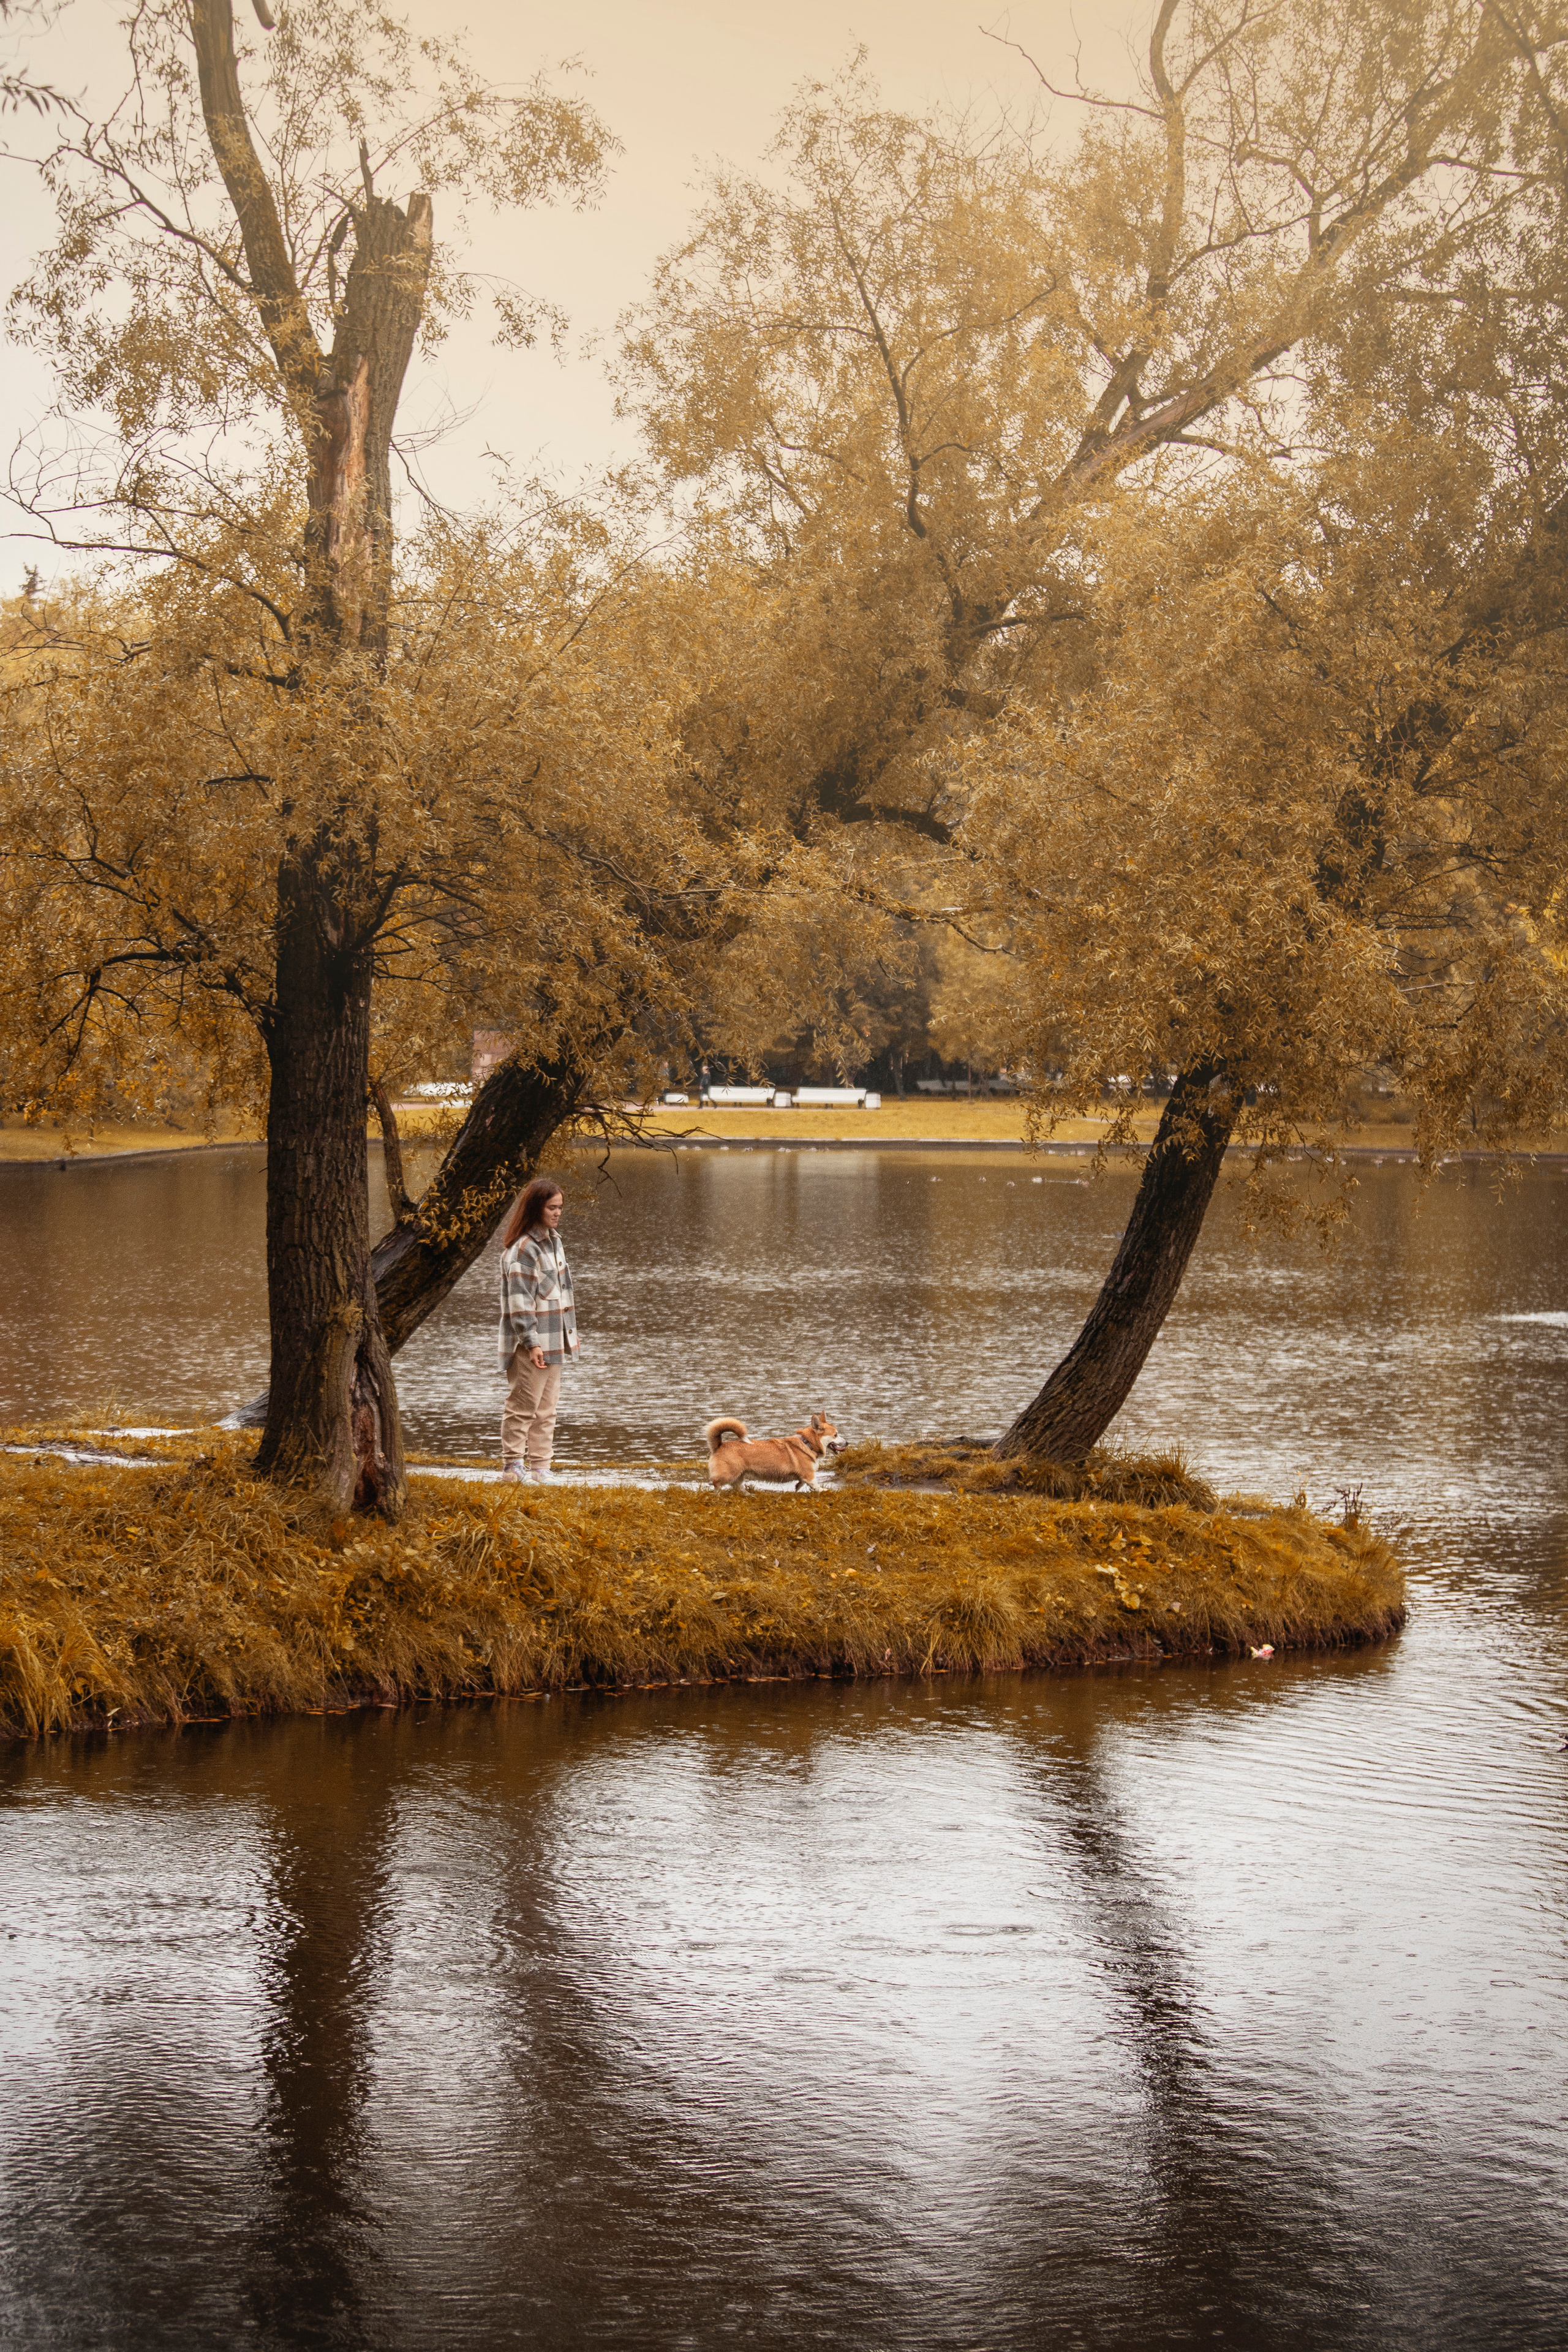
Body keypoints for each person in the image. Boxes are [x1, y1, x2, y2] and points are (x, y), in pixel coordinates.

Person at [497, 1175, 579, 1483]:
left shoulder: (554, 1242)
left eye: (560, 1208)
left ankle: (541, 1468)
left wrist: (569, 1333)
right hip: (530, 1345)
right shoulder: (523, 1250)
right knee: (523, 1406)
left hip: (555, 1342)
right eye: (551, 1208)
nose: (558, 1213)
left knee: (547, 1410)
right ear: (535, 1208)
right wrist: (532, 1343)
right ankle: (512, 1466)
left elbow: (562, 1295)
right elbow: (520, 1304)